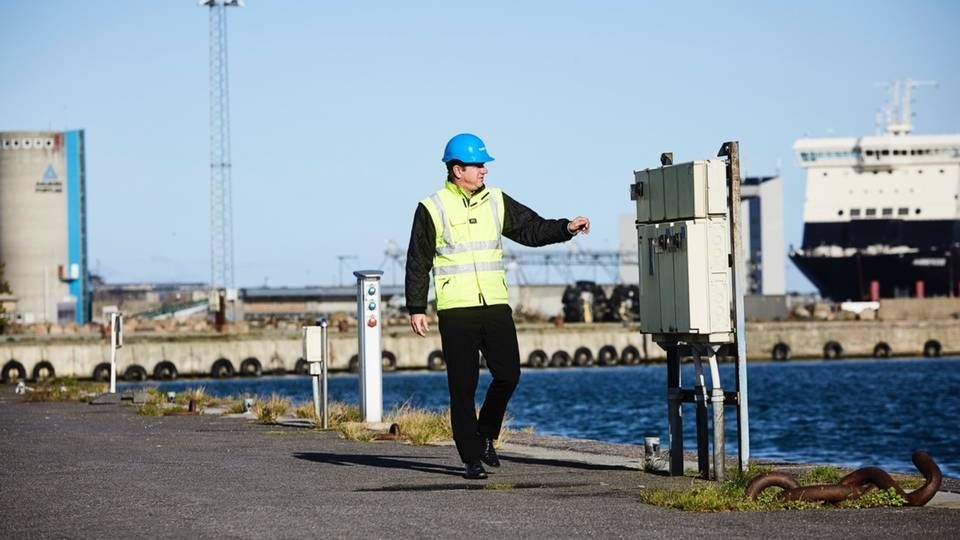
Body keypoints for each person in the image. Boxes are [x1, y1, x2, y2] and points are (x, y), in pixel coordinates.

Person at [405, 133, 590, 479]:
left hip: (494, 305)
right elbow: (418, 261)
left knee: (509, 374)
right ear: (458, 169)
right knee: (462, 387)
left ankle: (486, 434)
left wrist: (565, 228)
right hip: (456, 309)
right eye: (478, 165)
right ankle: (471, 458)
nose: (484, 171)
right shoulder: (432, 208)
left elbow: (532, 229)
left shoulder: (496, 201)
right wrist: (416, 306)